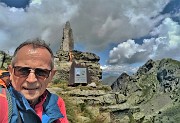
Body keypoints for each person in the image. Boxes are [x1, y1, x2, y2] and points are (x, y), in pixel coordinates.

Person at [6, 38, 68, 123]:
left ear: (51, 75)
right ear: (10, 72)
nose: (31, 80)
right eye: (23, 70)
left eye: (41, 72)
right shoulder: (2, 102)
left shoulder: (57, 103)